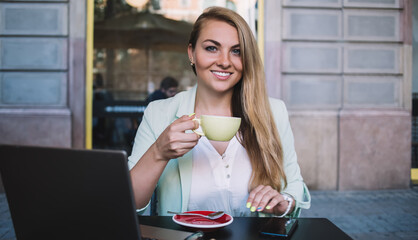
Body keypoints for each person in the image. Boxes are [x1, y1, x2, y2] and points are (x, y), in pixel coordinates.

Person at [129, 6, 310, 217]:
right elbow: (130, 203)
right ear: (191, 53)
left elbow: (294, 185)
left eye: (236, 51)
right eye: (212, 48)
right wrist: (158, 153)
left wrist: (284, 203)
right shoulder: (159, 113)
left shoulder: (273, 112)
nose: (225, 61)